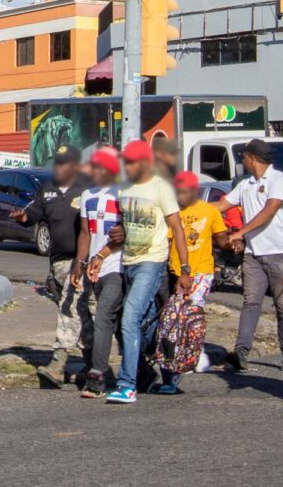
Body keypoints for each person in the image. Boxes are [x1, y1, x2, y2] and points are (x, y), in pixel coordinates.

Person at [91, 140, 192, 405]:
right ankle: (169, 360)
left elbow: (177, 229)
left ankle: (127, 385)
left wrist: (185, 269)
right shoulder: (124, 190)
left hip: (153, 262)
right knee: (144, 324)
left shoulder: (161, 188)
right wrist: (101, 255)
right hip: (130, 262)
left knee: (130, 318)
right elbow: (126, 231)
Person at [10, 145, 93, 388]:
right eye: (57, 162)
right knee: (81, 314)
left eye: (64, 163)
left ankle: (58, 364)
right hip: (58, 263)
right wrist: (22, 217)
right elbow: (32, 214)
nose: (59, 167)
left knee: (70, 308)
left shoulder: (86, 188)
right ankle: (95, 365)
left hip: (81, 263)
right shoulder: (47, 190)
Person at [217, 139, 283, 372]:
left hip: (280, 254)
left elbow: (269, 211)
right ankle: (241, 352)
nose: (243, 161)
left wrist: (240, 232)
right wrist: (191, 210)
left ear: (252, 158)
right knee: (250, 302)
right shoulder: (246, 184)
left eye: (244, 157)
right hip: (253, 254)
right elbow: (222, 206)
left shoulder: (278, 179)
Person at [155, 171, 230, 394]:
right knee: (173, 322)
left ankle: (192, 356)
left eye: (183, 192)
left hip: (202, 272)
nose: (179, 196)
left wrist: (233, 244)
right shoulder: (172, 212)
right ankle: (179, 364)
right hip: (175, 272)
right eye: (176, 192)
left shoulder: (210, 211)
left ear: (195, 191)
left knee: (191, 315)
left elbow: (221, 238)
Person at [70, 147, 124, 398]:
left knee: (104, 317)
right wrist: (79, 264)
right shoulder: (87, 196)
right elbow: (85, 233)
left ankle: (98, 375)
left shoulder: (123, 193)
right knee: (118, 322)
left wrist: (104, 255)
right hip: (93, 269)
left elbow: (127, 232)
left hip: (117, 267)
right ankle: (143, 372)